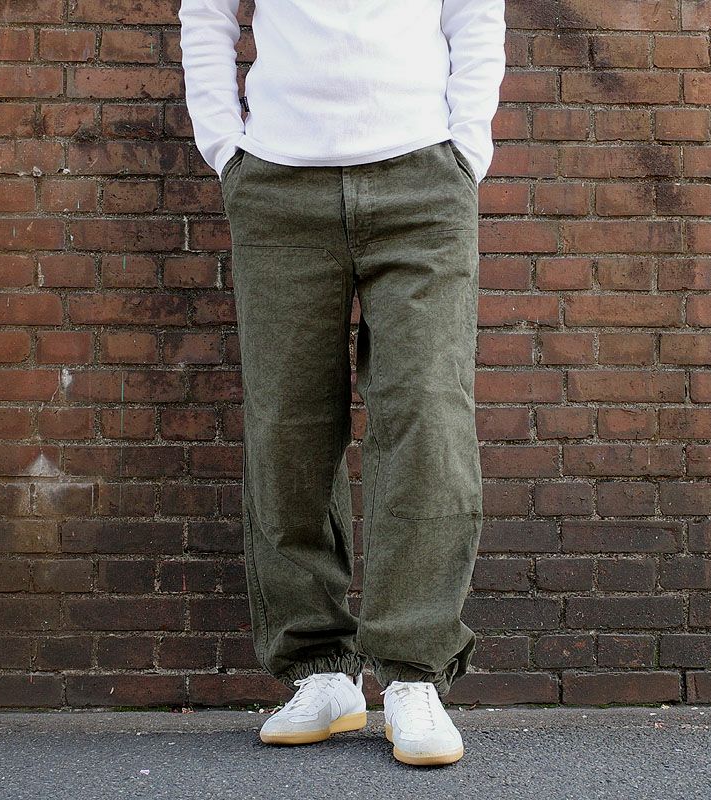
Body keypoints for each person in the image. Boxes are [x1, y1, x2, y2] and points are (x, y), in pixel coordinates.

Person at [178, 0, 507, 767]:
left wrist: (467, 146)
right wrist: (225, 147)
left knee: (427, 417)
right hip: (278, 187)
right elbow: (207, 11)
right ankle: (320, 671)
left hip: (423, 179)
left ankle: (411, 675)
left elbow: (475, 13)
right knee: (287, 427)